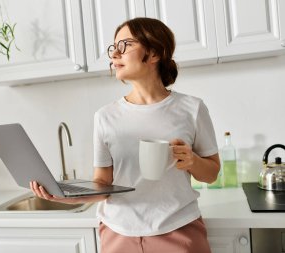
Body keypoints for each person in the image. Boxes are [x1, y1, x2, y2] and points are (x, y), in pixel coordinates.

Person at [31, 17, 220, 253]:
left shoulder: (192, 108)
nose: (114, 55)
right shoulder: (105, 116)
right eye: (114, 47)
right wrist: (64, 196)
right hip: (118, 233)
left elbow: (212, 173)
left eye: (125, 45)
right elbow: (102, 183)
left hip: (178, 229)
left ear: (153, 54)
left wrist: (193, 161)